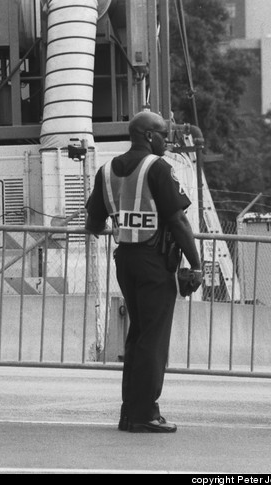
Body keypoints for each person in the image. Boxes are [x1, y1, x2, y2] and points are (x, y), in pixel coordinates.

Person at [84, 110, 202, 434]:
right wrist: (197, 263)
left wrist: (123, 221)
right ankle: (145, 414)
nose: (167, 139)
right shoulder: (158, 168)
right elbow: (178, 220)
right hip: (155, 263)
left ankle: (129, 413)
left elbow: (93, 224)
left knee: (137, 337)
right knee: (153, 340)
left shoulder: (106, 170)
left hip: (126, 261)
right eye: (163, 133)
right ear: (149, 136)